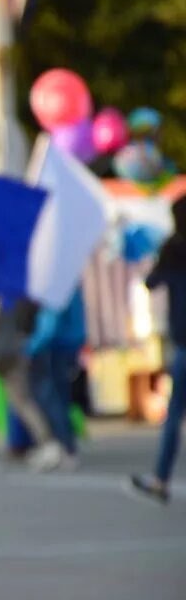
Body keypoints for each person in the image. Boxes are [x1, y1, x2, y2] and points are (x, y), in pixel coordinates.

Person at [131, 197, 186, 504]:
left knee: (174, 414)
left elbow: (151, 283)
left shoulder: (173, 249)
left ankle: (161, 478)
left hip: (183, 342)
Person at [0, 302, 67, 471]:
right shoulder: (14, 293)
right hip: (14, 348)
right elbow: (29, 316)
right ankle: (48, 443)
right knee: (24, 401)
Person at [27, 288, 87, 469]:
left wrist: (30, 347)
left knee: (50, 398)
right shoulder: (72, 284)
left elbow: (49, 324)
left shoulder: (57, 284)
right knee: (61, 397)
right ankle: (67, 446)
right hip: (69, 343)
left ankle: (62, 447)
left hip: (53, 345)